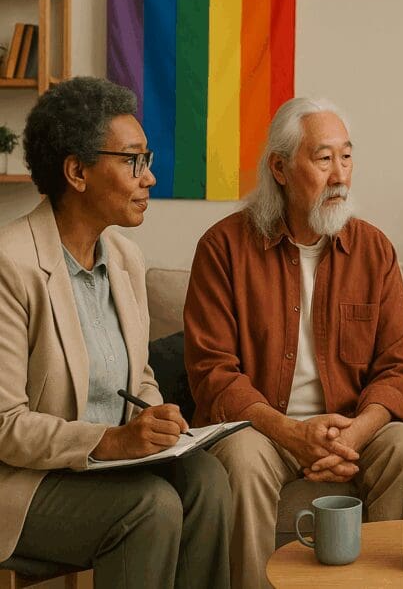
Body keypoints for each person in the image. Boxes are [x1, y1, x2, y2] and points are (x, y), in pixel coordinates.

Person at [184, 96, 403, 588]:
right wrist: (290, 433)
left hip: (351, 428)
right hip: (260, 429)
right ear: (280, 168)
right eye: (323, 159)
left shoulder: (373, 249)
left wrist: (354, 434)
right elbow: (212, 373)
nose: (341, 175)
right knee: (240, 460)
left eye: (346, 156)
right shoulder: (222, 247)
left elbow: (398, 368)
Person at [0, 77, 232, 588]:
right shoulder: (10, 264)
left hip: (107, 470)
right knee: (150, 507)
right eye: (133, 161)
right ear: (77, 172)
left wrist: (158, 415)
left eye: (146, 159)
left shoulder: (126, 259)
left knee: (209, 480)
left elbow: (138, 377)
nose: (149, 177)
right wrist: (109, 441)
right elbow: (6, 425)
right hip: (27, 483)